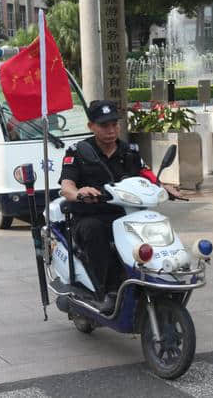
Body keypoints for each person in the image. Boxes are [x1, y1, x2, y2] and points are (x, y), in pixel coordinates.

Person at [59, 100, 146, 313]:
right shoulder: (78, 152)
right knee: (93, 230)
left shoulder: (129, 152)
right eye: (104, 126)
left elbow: (146, 177)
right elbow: (66, 187)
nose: (111, 130)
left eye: (114, 125)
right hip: (92, 216)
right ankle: (107, 291)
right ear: (91, 126)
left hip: (125, 216)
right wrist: (79, 193)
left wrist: (166, 187)